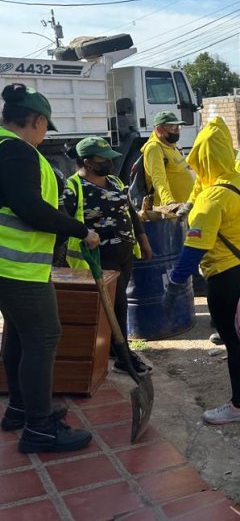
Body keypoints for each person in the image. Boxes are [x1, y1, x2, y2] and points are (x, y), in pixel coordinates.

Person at [0, 84, 100, 453]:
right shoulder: (17, 151)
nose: (44, 136)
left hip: (9, 269)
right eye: (45, 128)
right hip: (16, 267)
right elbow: (29, 206)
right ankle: (39, 428)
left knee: (19, 336)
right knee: (43, 337)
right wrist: (80, 230)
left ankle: (21, 408)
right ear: (37, 120)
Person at [161, 117, 240, 424]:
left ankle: (239, 405)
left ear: (203, 159)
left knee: (234, 342)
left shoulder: (212, 197)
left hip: (226, 278)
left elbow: (194, 250)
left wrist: (175, 285)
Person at [63, 136, 153, 375]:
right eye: (104, 159)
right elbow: (64, 224)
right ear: (88, 162)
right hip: (100, 258)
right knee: (117, 306)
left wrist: (143, 240)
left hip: (125, 253)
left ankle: (115, 349)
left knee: (118, 302)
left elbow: (130, 212)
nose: (110, 163)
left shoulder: (113, 181)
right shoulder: (73, 188)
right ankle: (124, 355)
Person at [142, 110, 194, 208]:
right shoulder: (154, 148)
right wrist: (169, 203)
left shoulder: (173, 146)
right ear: (159, 129)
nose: (177, 130)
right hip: (171, 211)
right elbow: (158, 178)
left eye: (178, 127)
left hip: (185, 206)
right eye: (172, 127)